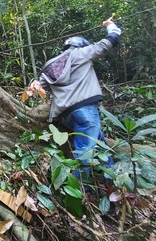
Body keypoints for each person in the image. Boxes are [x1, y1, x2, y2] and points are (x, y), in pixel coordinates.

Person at [32, 17, 121, 180]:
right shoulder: (81, 54)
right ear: (82, 46)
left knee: (100, 143)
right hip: (85, 110)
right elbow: (111, 40)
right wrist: (110, 25)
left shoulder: (51, 64)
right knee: (85, 152)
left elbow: (38, 88)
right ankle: (81, 192)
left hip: (66, 117)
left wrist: (33, 84)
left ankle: (112, 181)